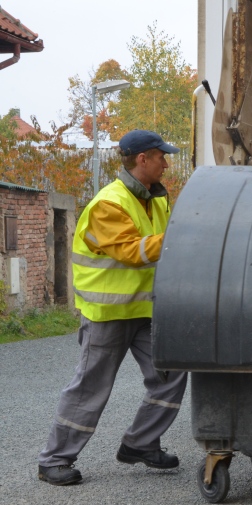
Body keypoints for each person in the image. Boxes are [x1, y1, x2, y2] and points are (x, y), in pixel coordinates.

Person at [38, 130, 188, 486]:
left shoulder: (156, 199)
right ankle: (54, 460)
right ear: (142, 160)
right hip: (108, 314)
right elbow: (132, 253)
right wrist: (185, 234)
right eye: (161, 156)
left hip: (146, 310)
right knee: (91, 387)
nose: (166, 163)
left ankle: (140, 443)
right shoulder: (110, 203)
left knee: (171, 374)